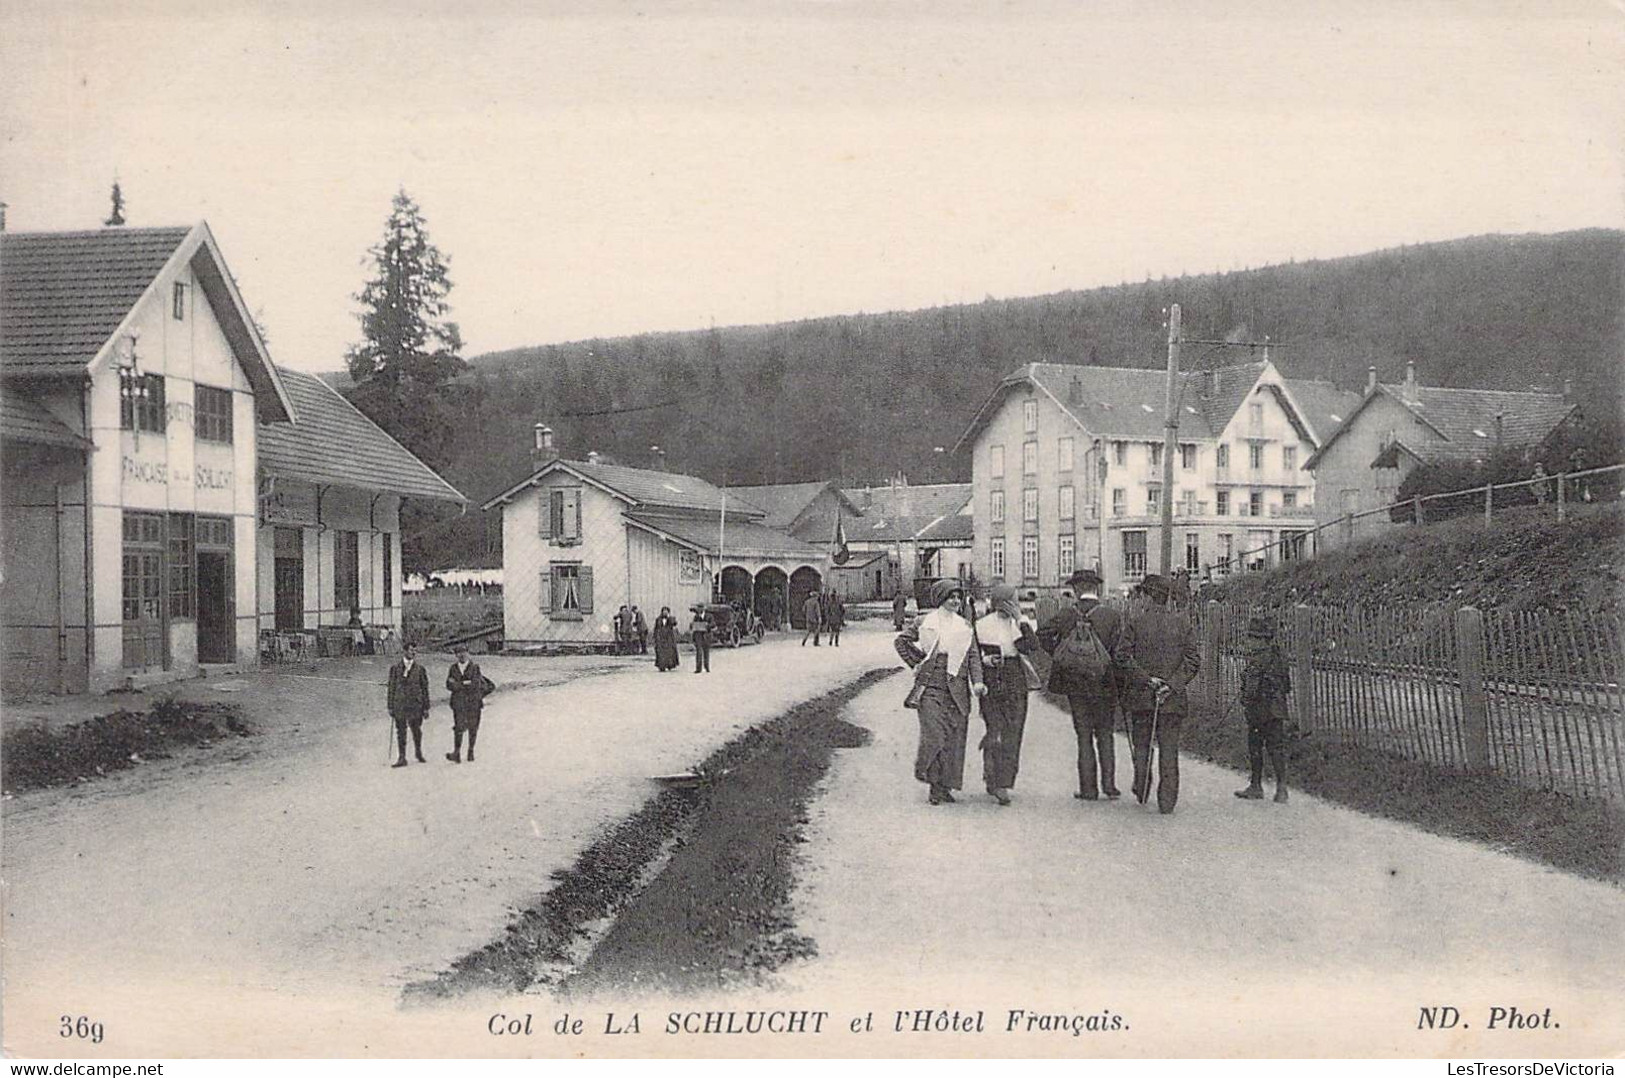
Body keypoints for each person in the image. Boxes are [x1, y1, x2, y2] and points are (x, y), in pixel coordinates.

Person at [1037, 568, 1126, 802]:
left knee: (1083, 735)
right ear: (1096, 588)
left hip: (1075, 682)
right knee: (1105, 734)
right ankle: (1110, 786)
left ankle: (1088, 789)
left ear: (1076, 589)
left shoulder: (1067, 614)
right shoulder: (1111, 616)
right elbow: (1120, 653)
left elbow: (1042, 634)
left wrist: (1060, 654)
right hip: (1105, 683)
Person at [896, 579, 987, 805]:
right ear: (941, 599)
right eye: (951, 597)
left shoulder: (965, 626)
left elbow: (973, 656)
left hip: (957, 686)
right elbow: (901, 642)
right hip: (930, 686)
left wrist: (977, 682)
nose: (956, 601)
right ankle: (933, 783)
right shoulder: (924, 622)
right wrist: (916, 662)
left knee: (954, 737)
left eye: (958, 597)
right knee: (934, 735)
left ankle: (944, 786)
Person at [1118, 574, 1200, 814]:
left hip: (1142, 696)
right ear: (1166, 599)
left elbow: (1122, 657)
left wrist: (1147, 680)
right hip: (1172, 698)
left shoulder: (1135, 623)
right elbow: (1193, 660)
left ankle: (1142, 786)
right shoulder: (1182, 624)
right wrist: (1172, 684)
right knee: (1169, 748)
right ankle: (1167, 801)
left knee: (1142, 743)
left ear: (1147, 596)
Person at [975, 583, 1041, 806]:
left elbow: (1032, 646)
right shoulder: (981, 625)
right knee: (995, 729)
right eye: (1011, 600)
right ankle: (992, 773)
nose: (1014, 604)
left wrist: (1020, 618)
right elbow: (973, 656)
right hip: (992, 679)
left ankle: (1003, 783)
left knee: (1013, 731)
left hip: (1014, 678)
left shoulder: (1021, 625)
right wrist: (985, 661)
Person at [1235, 616, 1292, 803]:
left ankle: (1256, 786)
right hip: (1277, 709)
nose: (1249, 641)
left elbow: (1251, 690)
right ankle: (1282, 789)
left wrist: (1244, 698)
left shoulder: (1256, 659)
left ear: (1261, 640)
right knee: (1277, 748)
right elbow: (1287, 685)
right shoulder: (1279, 657)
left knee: (1255, 746)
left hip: (1260, 710)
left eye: (1252, 638)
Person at [445, 644, 494, 763]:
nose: (462, 655)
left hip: (473, 702)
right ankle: (456, 752)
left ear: (468, 653)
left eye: (464, 652)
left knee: (473, 727)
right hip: (458, 703)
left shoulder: (475, 667)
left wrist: (459, 684)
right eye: (459, 653)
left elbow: (475, 684)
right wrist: (465, 683)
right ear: (456, 655)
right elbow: (449, 684)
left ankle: (470, 751)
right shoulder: (453, 668)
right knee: (458, 727)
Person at [387, 642, 430, 768]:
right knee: (400, 731)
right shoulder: (395, 669)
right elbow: (391, 688)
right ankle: (402, 757)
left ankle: (418, 752)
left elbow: (425, 688)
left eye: (415, 650)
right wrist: (390, 706)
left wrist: (426, 707)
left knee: (416, 730)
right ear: (404, 651)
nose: (413, 652)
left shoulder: (420, 669)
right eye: (411, 650)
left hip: (415, 704)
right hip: (399, 704)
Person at [652, 606, 680, 671]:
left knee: (669, 652)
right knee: (661, 652)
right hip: (660, 638)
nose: (665, 612)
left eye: (666, 611)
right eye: (663, 611)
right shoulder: (658, 619)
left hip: (669, 638)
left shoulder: (671, 618)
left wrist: (669, 617)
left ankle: (669, 665)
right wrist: (655, 637)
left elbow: (674, 624)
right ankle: (662, 666)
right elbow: (656, 628)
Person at [689, 604, 714, 673]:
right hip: (698, 636)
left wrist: (707, 625)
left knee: (706, 652)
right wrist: (692, 626)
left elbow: (713, 624)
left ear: (704, 608)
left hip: (706, 635)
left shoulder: (709, 616)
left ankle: (707, 667)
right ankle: (698, 668)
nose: (699, 609)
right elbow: (693, 626)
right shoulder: (696, 617)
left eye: (701, 608)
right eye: (698, 608)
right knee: (698, 652)